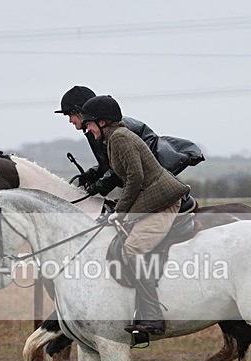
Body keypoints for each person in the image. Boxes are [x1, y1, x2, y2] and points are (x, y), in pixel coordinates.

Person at [80, 95, 190, 336]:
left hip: (164, 202)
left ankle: (152, 316)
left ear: (102, 122)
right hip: (150, 201)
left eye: (89, 123)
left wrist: (120, 211)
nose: (86, 128)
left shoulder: (120, 138)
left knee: (132, 249)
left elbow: (135, 178)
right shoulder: (113, 139)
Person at [55, 85, 204, 197]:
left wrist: (98, 186)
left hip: (152, 184)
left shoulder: (116, 131)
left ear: (80, 112)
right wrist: (90, 174)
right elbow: (111, 164)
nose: (69, 120)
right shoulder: (98, 130)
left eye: (70, 115)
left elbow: (121, 168)